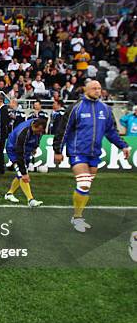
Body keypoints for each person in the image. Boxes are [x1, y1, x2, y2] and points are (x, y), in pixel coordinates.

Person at [53, 81, 130, 233]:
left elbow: (112, 132)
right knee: (84, 183)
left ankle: (78, 215)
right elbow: (63, 130)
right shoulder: (76, 107)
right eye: (94, 88)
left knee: (86, 186)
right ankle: (77, 218)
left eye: (99, 88)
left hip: (94, 154)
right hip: (77, 151)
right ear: (86, 90)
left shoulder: (106, 109)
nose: (97, 91)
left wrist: (123, 146)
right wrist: (58, 150)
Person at [4, 118, 47, 207]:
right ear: (33, 126)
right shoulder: (23, 132)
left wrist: (35, 147)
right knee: (22, 174)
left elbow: (39, 136)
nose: (39, 133)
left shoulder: (38, 127)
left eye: (41, 131)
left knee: (21, 174)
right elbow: (19, 154)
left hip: (27, 148)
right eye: (38, 130)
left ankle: (9, 194)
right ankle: (30, 199)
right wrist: (24, 173)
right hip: (14, 150)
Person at [0, 95, 10, 174]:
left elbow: (3, 122)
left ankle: (0, 167)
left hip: (1, 133)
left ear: (1, 101)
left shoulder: (4, 109)